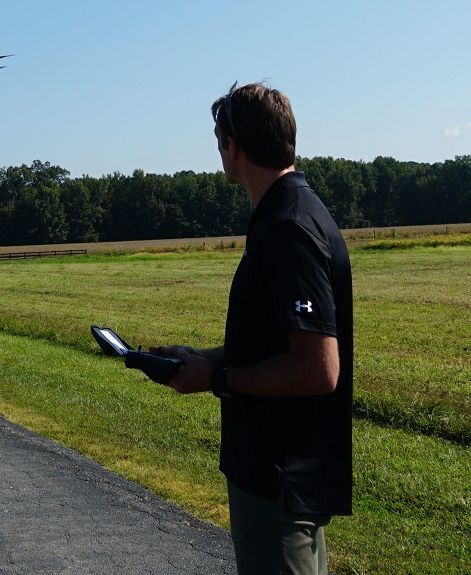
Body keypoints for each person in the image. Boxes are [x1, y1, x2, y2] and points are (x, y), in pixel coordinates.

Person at [153, 81, 352, 574]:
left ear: (233, 147)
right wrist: (205, 357)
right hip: (275, 473)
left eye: (219, 141)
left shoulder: (288, 227)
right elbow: (275, 341)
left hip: (279, 478)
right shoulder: (285, 214)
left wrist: (216, 380)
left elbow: (317, 368)